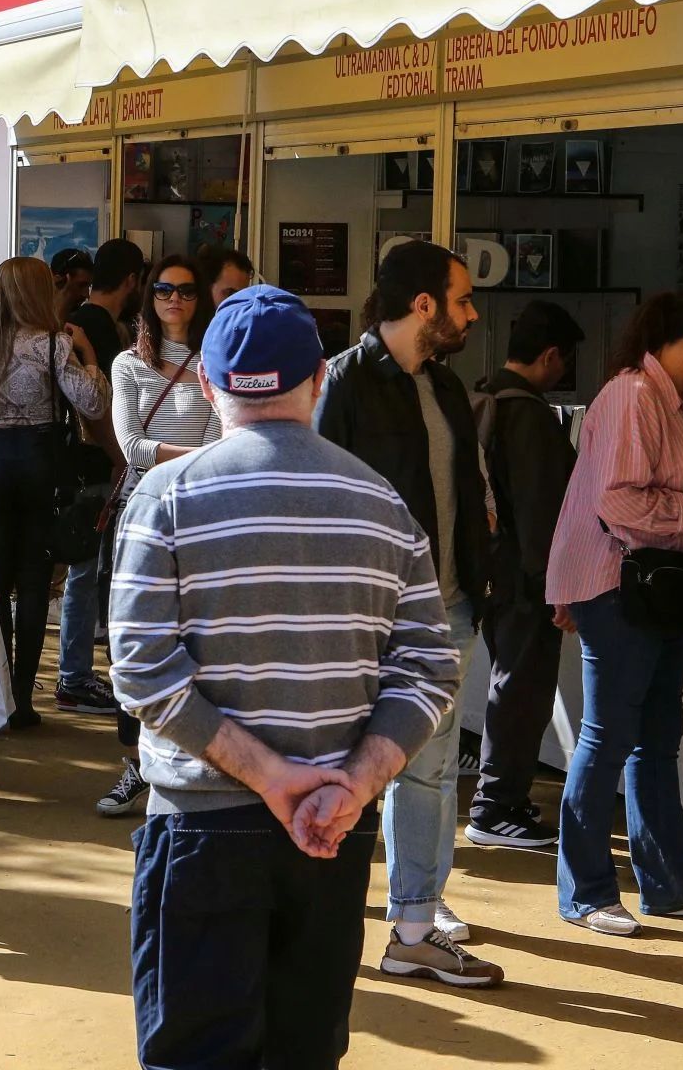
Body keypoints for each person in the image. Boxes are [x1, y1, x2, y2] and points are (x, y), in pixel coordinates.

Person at [111, 285, 461, 1070]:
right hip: (333, 830)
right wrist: (356, 783)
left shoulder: (167, 497)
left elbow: (142, 670)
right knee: (306, 1052)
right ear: (321, 379)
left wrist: (269, 776)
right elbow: (431, 667)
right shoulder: (382, 503)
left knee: (194, 1053)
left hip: (202, 823)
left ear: (207, 383)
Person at [315, 240, 500, 983]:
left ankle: (416, 920)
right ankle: (335, 916)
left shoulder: (450, 388)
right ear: (422, 305)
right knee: (349, 765)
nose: (471, 313)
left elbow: (466, 491)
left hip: (446, 609)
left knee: (430, 768)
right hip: (367, 616)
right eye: (460, 299)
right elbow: (320, 502)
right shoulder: (345, 383)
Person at [545, 289, 683, 937]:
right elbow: (619, 502)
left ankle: (667, 883)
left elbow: (666, 483)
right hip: (620, 585)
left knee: (655, 735)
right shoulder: (635, 395)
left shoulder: (673, 401)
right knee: (611, 736)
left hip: (653, 588)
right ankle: (584, 891)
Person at [0, 257, 108, 729]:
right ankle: (22, 698)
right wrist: (91, 357)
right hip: (40, 463)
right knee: (36, 582)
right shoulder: (54, 345)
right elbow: (92, 402)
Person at [95, 254, 220, 819]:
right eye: (165, 290)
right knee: (135, 635)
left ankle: (188, 758)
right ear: (148, 296)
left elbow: (220, 440)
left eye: (187, 291)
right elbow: (131, 448)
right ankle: (135, 763)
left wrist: (178, 458)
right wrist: (196, 456)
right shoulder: (128, 364)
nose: (175, 300)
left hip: (202, 517)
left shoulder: (213, 365)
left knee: (196, 637)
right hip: (142, 516)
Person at [465, 301, 585, 850]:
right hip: (525, 577)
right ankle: (498, 807)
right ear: (550, 354)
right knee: (522, 688)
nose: (564, 372)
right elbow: (541, 512)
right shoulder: (531, 415)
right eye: (564, 361)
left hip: (489, 569)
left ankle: (499, 800)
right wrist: (557, 586)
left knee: (507, 684)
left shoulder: (481, 396)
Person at [55, 238, 141, 715]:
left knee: (90, 570)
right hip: (97, 460)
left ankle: (78, 672)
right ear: (131, 280)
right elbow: (96, 407)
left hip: (92, 459)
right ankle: (74, 675)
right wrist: (118, 453)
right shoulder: (94, 328)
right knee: (86, 571)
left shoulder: (98, 324)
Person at [50, 247, 94, 324]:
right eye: (81, 285)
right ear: (60, 281)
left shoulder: (81, 324)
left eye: (89, 286)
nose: (86, 295)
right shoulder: (32, 316)